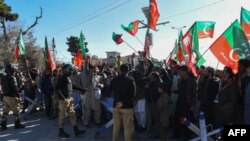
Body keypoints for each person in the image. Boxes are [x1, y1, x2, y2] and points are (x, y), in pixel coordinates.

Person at [56, 64, 86, 138]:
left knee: (72, 114)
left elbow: (73, 86)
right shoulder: (61, 77)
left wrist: (82, 89)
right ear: (67, 70)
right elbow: (58, 89)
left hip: (70, 98)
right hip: (64, 100)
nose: (72, 72)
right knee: (62, 116)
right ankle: (61, 132)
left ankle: (76, 131)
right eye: (71, 71)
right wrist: (64, 98)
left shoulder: (68, 77)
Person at [109, 64, 136, 141]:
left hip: (116, 106)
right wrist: (123, 102)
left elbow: (109, 90)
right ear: (128, 71)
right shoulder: (131, 80)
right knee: (127, 128)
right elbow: (133, 95)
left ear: (120, 70)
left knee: (116, 127)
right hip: (127, 107)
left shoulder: (114, 79)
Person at [0, 64, 25, 130]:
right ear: (11, 71)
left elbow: (2, 87)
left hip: (5, 96)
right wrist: (18, 96)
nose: (15, 72)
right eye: (14, 70)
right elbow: (14, 88)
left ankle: (3, 125)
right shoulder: (12, 78)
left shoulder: (3, 78)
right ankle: (17, 124)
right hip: (12, 96)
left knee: (5, 111)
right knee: (16, 110)